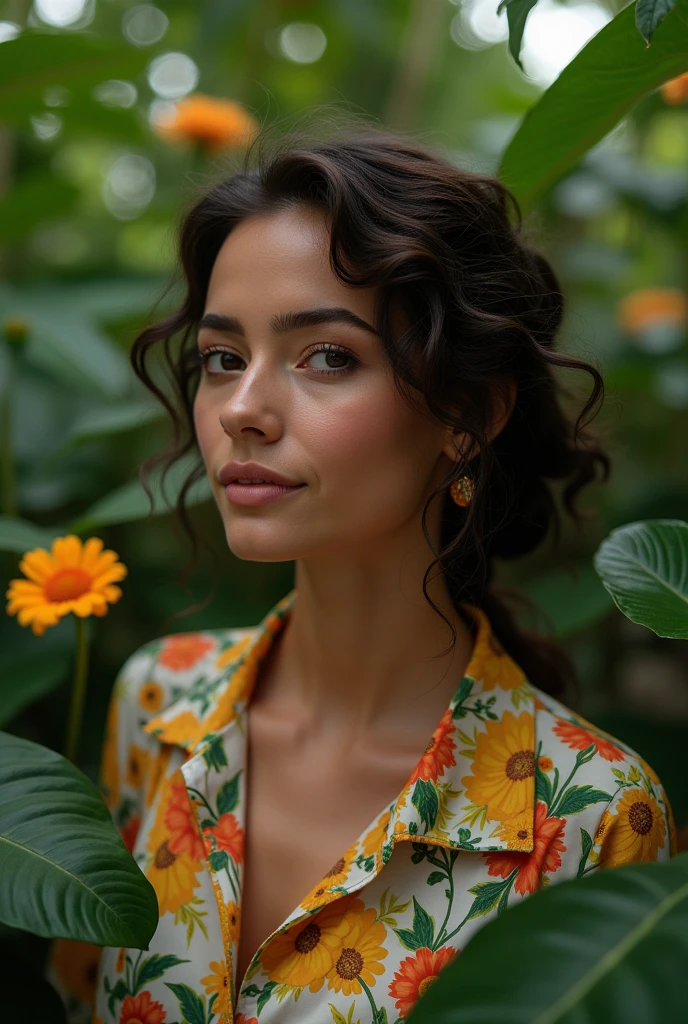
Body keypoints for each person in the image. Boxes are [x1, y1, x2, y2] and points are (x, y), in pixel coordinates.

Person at [48, 121, 676, 1024]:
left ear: (467, 413)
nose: (244, 410)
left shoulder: (590, 816)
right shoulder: (156, 705)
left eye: (327, 357)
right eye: (222, 358)